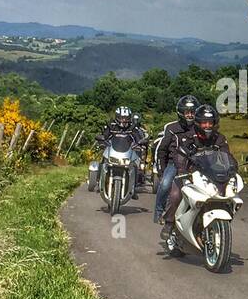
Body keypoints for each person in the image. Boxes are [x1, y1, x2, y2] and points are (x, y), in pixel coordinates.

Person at [161, 103, 232, 242]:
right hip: (189, 173)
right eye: (204, 123)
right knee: (176, 194)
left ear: (215, 123)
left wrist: (232, 169)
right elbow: (179, 154)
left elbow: (227, 156)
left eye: (210, 122)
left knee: (227, 196)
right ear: (198, 123)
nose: (207, 126)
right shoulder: (187, 137)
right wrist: (182, 170)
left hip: (211, 174)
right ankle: (169, 224)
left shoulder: (220, 138)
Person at [153, 95, 198, 223]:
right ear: (181, 113)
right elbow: (161, 150)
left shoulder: (200, 127)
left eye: (193, 112)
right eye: (187, 112)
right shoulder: (171, 128)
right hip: (175, 163)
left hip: (196, 163)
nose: (190, 115)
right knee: (165, 184)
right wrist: (161, 171)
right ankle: (159, 213)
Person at [96, 106, 149, 198]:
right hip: (112, 151)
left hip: (127, 152)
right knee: (103, 161)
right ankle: (99, 181)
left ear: (129, 118)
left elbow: (138, 139)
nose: (123, 120)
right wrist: (102, 141)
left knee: (135, 166)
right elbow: (104, 136)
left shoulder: (133, 128)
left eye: (126, 118)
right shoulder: (111, 126)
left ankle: (133, 188)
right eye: (121, 118)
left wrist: (140, 143)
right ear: (117, 117)